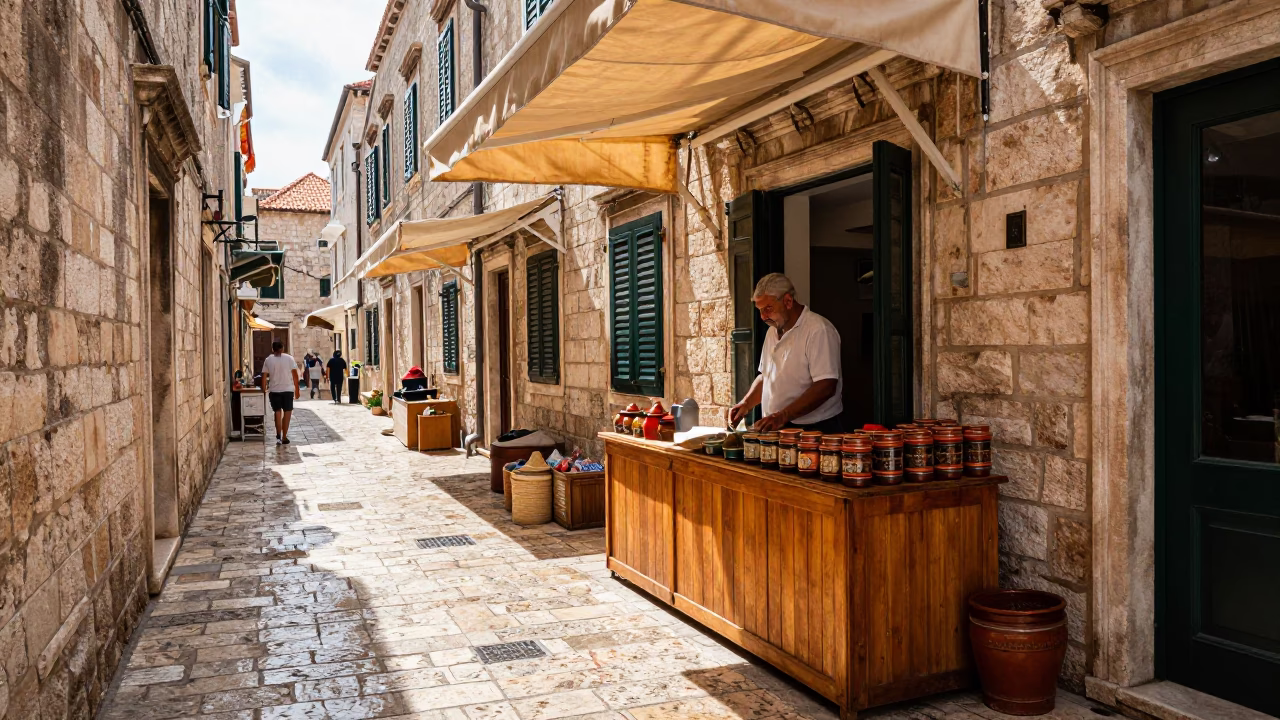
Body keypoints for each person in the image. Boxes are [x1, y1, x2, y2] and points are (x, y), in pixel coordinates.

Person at [728, 273, 843, 434]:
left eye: (768, 308)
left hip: (814, 429)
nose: (763, 317)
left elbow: (826, 386)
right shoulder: (772, 332)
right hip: (779, 426)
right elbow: (765, 376)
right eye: (760, 310)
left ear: (788, 301)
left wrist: (782, 416)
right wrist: (746, 404)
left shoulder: (818, 330)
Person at [261, 341, 300, 444]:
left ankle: (278, 436)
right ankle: (284, 436)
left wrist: (263, 389)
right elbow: (295, 375)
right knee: (287, 412)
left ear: (272, 349)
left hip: (274, 390)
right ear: (282, 348)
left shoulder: (268, 360)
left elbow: (264, 376)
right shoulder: (289, 358)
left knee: (277, 412)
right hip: (288, 390)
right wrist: (297, 390)